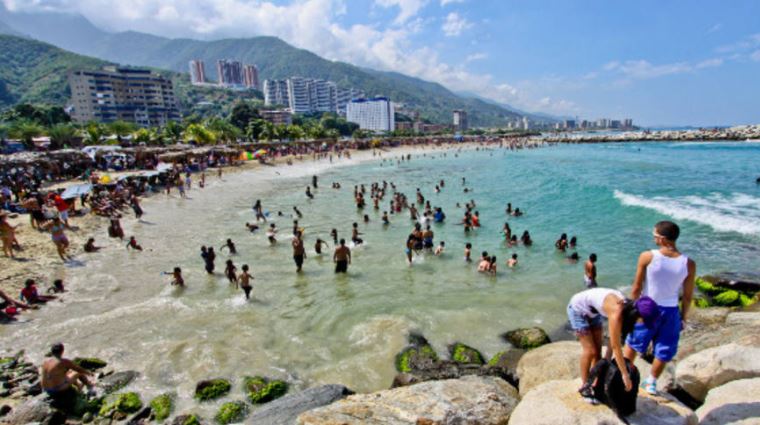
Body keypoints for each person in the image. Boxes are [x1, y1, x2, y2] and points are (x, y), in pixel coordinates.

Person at [624, 221, 696, 395]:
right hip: (671, 311)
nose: (653, 238)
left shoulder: (648, 256)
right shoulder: (688, 263)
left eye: (655, 236)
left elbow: (636, 287)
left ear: (663, 239)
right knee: (664, 348)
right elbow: (687, 296)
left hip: (648, 307)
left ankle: (623, 374)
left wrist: (630, 310)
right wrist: (684, 318)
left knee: (633, 343)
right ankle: (652, 382)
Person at [567, 289, 659, 403]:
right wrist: (624, 375)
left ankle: (595, 384)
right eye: (644, 321)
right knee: (590, 351)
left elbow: (613, 340)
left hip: (593, 312)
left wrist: (607, 360)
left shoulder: (628, 309)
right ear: (637, 315)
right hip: (578, 309)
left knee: (597, 353)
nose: (643, 324)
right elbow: (616, 346)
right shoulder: (617, 313)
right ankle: (585, 386)